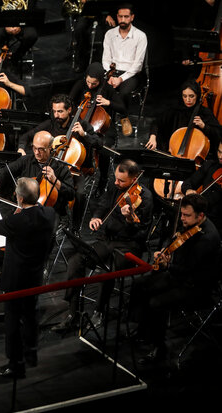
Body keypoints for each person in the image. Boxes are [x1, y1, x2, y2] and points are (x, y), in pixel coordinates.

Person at [52, 159, 153, 331]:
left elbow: (142, 233)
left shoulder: (145, 198)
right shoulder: (115, 187)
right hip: (107, 240)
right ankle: (73, 312)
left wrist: (129, 219)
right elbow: (103, 204)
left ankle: (99, 311)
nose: (116, 182)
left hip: (128, 246)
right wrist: (96, 217)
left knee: (109, 271)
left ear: (134, 179)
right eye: (116, 178)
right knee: (76, 261)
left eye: (121, 181)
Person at [0, 176, 55, 378]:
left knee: (12, 322)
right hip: (35, 276)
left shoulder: (15, 221)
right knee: (30, 316)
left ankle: (15, 364)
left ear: (19, 198)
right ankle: (31, 355)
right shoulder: (49, 213)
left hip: (16, 279)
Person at [130, 194, 221, 364]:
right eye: (182, 214)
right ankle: (144, 331)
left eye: (186, 215)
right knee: (140, 284)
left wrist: (167, 265)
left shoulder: (207, 238)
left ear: (200, 216)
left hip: (196, 286)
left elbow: (189, 270)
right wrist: (166, 250)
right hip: (180, 275)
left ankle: (160, 349)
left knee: (156, 302)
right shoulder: (190, 223)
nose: (182, 218)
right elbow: (176, 238)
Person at [20, 94, 101, 232]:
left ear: (69, 110)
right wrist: (21, 148)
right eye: (54, 111)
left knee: (80, 194)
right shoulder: (50, 124)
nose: (56, 115)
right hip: (51, 168)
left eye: (60, 111)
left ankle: (75, 228)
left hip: (74, 171)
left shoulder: (82, 125)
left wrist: (84, 135)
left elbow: (99, 144)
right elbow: (26, 136)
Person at [0, 131, 75, 219]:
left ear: (50, 148)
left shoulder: (61, 167)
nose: (36, 152)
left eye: (41, 149)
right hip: (23, 207)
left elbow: (71, 194)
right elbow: (6, 171)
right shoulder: (26, 160)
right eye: (34, 148)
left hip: (49, 212)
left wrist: (55, 181)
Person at [69, 62, 126, 195]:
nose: (89, 85)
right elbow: (69, 100)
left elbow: (123, 108)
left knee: (104, 147)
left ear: (100, 81)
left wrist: (108, 103)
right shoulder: (81, 84)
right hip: (83, 122)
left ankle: (103, 180)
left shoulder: (108, 89)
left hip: (103, 127)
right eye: (88, 81)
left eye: (94, 84)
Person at [101, 3, 147, 137]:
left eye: (126, 17)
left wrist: (121, 79)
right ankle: (105, 119)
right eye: (120, 16)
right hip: (112, 72)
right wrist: (109, 76)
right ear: (117, 16)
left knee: (124, 92)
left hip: (130, 73)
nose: (122, 20)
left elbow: (138, 65)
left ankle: (123, 117)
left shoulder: (140, 36)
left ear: (132, 17)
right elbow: (105, 59)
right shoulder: (109, 34)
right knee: (102, 89)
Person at [145, 80, 222, 155]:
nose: (188, 100)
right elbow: (157, 122)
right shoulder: (176, 110)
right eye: (184, 96)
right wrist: (153, 137)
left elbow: (218, 134)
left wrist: (204, 126)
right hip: (174, 153)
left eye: (191, 96)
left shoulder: (205, 113)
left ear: (197, 96)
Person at [181, 141, 222, 235]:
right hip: (199, 217)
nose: (220, 156)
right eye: (219, 152)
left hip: (218, 223)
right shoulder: (210, 165)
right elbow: (188, 183)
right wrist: (188, 190)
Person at [0, 0, 38, 72]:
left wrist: (19, 24)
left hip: (23, 20)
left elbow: (31, 9)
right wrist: (7, 23)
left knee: (32, 35)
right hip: (3, 19)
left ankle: (16, 56)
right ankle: (3, 57)